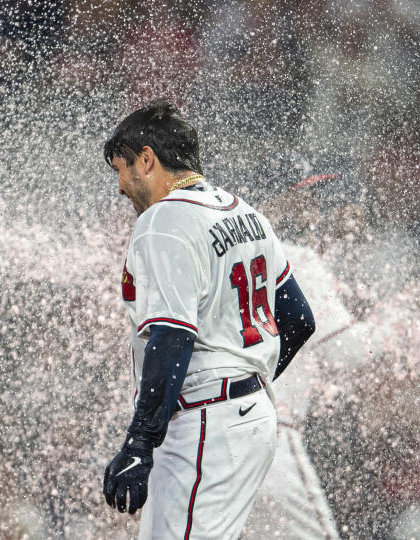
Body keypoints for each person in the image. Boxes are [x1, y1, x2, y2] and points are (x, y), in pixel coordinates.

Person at [100, 100, 316, 539]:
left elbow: (172, 337)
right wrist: (245, 378)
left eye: (122, 168)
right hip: (246, 415)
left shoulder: (163, 220)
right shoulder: (246, 213)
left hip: (205, 423)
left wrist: (140, 442)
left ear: (147, 159)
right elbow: (299, 319)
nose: (121, 186)